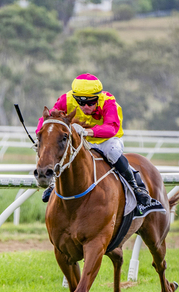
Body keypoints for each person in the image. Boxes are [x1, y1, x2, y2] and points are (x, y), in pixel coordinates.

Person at [35, 73, 151, 205]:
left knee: (113, 152)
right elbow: (47, 119)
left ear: (98, 97)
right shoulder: (66, 99)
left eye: (90, 102)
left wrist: (86, 131)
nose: (86, 107)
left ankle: (136, 186)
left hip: (107, 140)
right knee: (62, 153)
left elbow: (111, 127)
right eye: (81, 102)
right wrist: (40, 135)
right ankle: (53, 184)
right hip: (83, 141)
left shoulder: (108, 101)